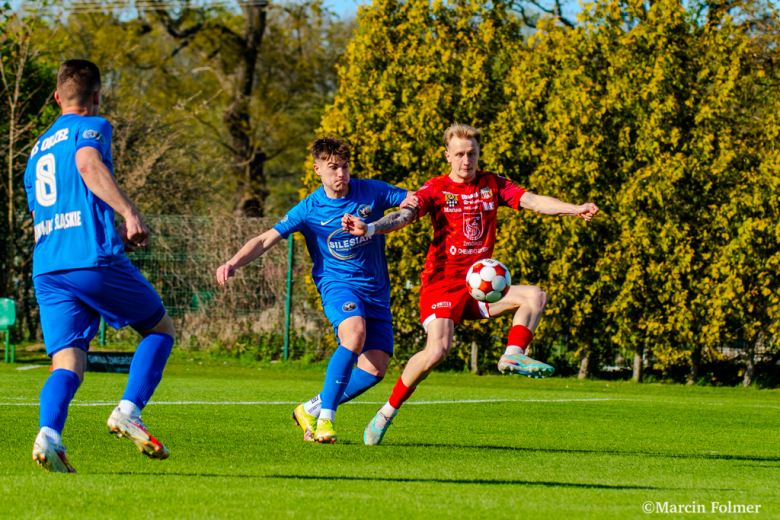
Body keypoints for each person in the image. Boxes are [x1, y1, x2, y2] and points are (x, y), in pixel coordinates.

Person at [341, 123, 599, 445]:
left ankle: (513, 354)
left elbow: (532, 201)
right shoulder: (435, 189)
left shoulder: (492, 184)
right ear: (447, 155)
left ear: (479, 154)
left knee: (535, 295)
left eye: (472, 153)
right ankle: (386, 413)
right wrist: (370, 228)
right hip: (442, 284)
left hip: (478, 285)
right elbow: (403, 216)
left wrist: (575, 209)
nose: (467, 160)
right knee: (437, 351)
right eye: (460, 154)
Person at [24, 60, 175, 473]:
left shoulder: (35, 150)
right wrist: (128, 212)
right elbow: (88, 165)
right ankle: (128, 410)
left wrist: (109, 223)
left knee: (68, 364)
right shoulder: (92, 126)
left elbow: (54, 206)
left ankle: (49, 436)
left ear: (56, 97)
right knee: (160, 329)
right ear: (96, 96)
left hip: (48, 265)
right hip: (89, 258)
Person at [216, 137, 416, 444]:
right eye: (333, 167)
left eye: (345, 166)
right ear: (317, 169)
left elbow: (412, 201)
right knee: (354, 334)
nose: (341, 174)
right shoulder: (309, 209)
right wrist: (233, 262)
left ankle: (309, 409)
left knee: (376, 368)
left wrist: (386, 220)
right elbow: (265, 238)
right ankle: (326, 420)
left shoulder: (371, 191)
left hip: (376, 291)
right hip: (338, 286)